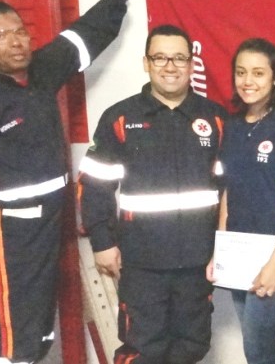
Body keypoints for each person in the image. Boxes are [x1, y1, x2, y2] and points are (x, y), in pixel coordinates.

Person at [0, 0, 145, 361]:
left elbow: (83, 37)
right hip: (7, 237)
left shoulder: (40, 71)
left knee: (37, 335)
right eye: (1, 35)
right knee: (9, 337)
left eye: (20, 31)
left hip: (49, 229)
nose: (17, 41)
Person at [78, 24, 228, 364]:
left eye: (179, 58)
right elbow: (94, 183)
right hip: (140, 262)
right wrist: (102, 243)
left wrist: (224, 248)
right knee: (143, 348)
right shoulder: (120, 117)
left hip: (197, 261)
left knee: (192, 345)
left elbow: (228, 191)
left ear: (192, 64)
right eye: (160, 57)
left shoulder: (214, 119)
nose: (170, 66)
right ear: (146, 62)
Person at [205, 38, 275, 364]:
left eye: (258, 73)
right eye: (241, 72)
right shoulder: (232, 126)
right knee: (255, 349)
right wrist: (220, 249)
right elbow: (228, 193)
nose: (248, 81)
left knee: (258, 345)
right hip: (238, 251)